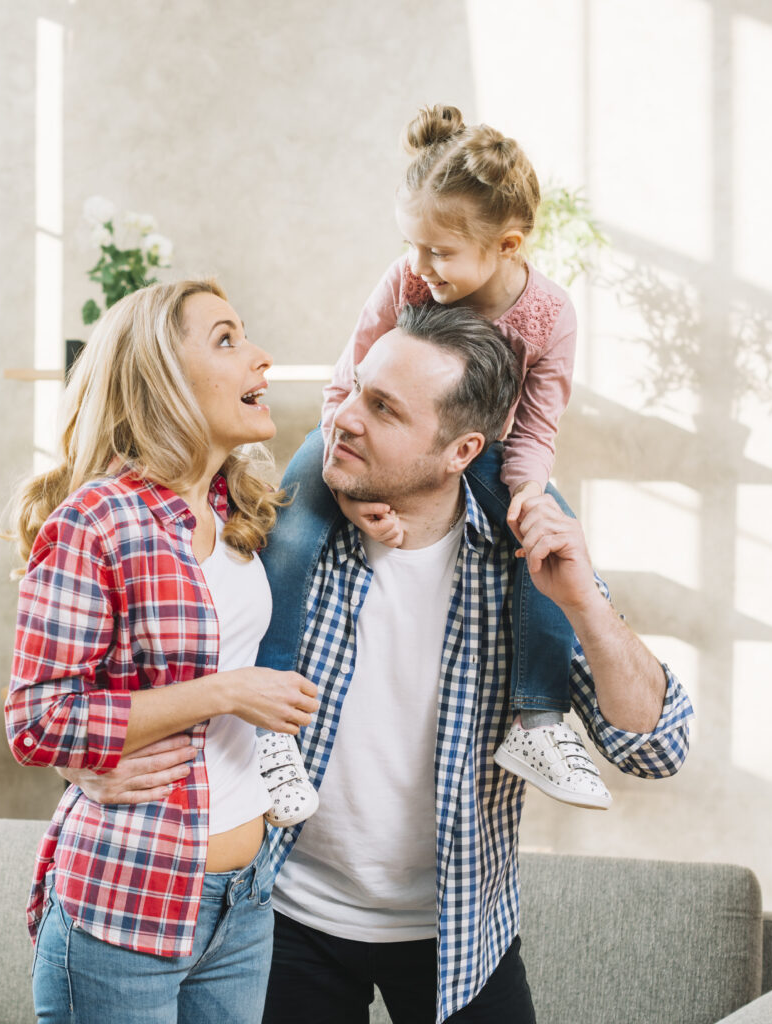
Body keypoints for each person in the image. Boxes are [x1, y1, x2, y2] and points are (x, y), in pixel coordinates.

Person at [62, 302, 694, 1023]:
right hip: (281, 916)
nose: (345, 417)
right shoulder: (270, 534)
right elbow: (117, 677)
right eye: (356, 388)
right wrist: (86, 758)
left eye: (384, 409)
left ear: (461, 451)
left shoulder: (527, 576)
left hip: (459, 934)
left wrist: (586, 604)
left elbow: (657, 748)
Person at [2, 279, 320, 1024]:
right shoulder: (99, 520)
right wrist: (224, 692)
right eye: (227, 340)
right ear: (163, 378)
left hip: (242, 907)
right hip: (128, 898)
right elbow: (36, 720)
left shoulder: (236, 512)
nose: (260, 358)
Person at [315, 102, 609, 810]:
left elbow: (536, 427)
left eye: (439, 252)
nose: (419, 267)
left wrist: (529, 495)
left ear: (509, 245)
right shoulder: (407, 280)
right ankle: (267, 722)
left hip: (491, 454)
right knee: (295, 524)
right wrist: (343, 475)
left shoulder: (549, 315)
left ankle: (539, 720)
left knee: (545, 548)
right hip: (349, 429)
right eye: (413, 245)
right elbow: (351, 376)